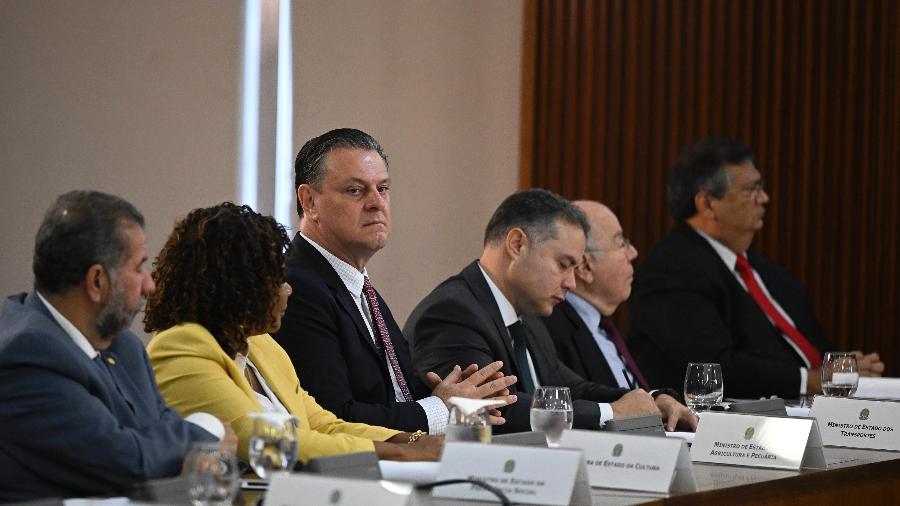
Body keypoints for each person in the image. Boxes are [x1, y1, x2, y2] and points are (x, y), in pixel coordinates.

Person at [145, 202, 443, 464]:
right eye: (276, 278)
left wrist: (413, 441)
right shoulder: (179, 348)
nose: (288, 289)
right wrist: (400, 454)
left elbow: (322, 424)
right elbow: (264, 441)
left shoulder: (260, 345)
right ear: (237, 286)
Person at [272, 128, 517, 435]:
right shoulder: (297, 287)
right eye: (355, 191)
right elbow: (332, 416)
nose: (377, 203)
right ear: (309, 201)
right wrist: (440, 409)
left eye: (383, 188)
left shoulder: (360, 287)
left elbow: (393, 398)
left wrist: (457, 396)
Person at [0, 190, 228, 502]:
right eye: (139, 268)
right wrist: (207, 431)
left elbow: (163, 429)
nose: (150, 285)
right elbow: (128, 462)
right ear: (97, 281)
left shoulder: (124, 347)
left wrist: (167, 450)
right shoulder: (27, 355)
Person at [405, 189, 695, 433]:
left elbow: (573, 388)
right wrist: (610, 412)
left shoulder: (526, 315)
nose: (571, 282)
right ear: (517, 245)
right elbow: (489, 412)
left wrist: (651, 400)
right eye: (563, 264)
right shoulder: (452, 313)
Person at [628, 137, 884, 399]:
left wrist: (848, 367)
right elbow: (715, 368)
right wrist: (812, 379)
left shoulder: (770, 273)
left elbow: (810, 350)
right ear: (707, 204)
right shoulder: (672, 269)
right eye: (752, 190)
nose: (764, 198)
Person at [542, 201, 696, 429]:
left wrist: (655, 398)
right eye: (621, 242)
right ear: (585, 266)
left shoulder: (602, 326)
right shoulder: (551, 326)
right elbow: (576, 399)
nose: (633, 252)